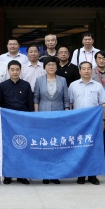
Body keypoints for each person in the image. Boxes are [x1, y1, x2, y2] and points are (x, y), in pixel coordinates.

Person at [68, 61, 105, 185]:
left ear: (92, 70)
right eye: (83, 69)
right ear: (79, 71)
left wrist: (103, 120)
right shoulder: (73, 85)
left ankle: (92, 175)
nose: (86, 71)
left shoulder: (98, 86)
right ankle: (81, 175)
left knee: (93, 149)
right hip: (78, 123)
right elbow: (70, 104)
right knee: (79, 149)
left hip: (94, 123)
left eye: (88, 68)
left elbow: (103, 104)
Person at [0, 60, 33, 185]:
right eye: (12, 69)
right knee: (8, 148)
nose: (15, 72)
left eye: (17, 69)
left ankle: (22, 175)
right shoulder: (3, 86)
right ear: (8, 71)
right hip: (8, 122)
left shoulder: (26, 85)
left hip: (23, 121)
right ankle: (8, 174)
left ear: (20, 70)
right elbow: (0, 103)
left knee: (22, 147)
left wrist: (30, 120)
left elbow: (30, 104)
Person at [33, 56, 69, 184]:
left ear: (57, 67)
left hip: (58, 117)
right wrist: (37, 115)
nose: (51, 67)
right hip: (43, 116)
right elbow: (36, 98)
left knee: (56, 145)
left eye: (53, 65)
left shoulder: (62, 80)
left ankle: (55, 174)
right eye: (48, 65)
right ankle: (45, 174)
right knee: (45, 146)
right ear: (44, 67)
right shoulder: (39, 80)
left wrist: (66, 113)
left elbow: (66, 99)